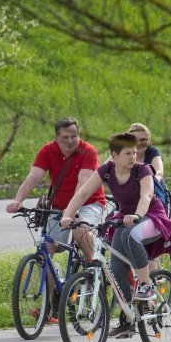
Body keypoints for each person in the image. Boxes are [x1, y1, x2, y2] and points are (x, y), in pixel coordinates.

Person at [61, 132, 171, 337]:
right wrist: (68, 215)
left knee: (129, 236)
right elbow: (83, 193)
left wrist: (137, 214)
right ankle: (128, 318)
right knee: (116, 270)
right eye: (128, 153)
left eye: (134, 152)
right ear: (114, 155)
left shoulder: (142, 170)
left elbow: (147, 194)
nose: (133, 157)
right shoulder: (107, 171)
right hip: (125, 218)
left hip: (151, 216)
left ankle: (146, 286)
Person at [6, 118, 107, 314]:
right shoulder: (47, 150)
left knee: (80, 229)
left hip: (88, 203)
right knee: (46, 251)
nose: (70, 141)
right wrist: (18, 201)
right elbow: (34, 177)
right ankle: (49, 307)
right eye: (65, 137)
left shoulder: (88, 151)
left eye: (74, 136)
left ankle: (93, 269)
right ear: (56, 138)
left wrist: (72, 211)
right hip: (59, 207)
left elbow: (84, 183)